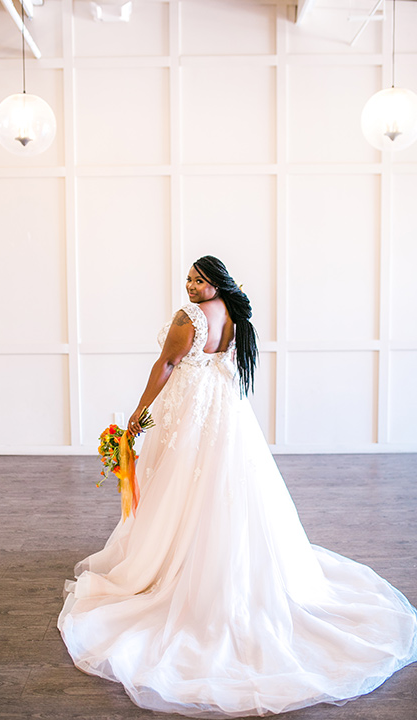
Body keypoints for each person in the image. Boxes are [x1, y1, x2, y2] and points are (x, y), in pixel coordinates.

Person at [58, 256, 417, 717]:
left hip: (192, 417)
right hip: (227, 418)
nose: (190, 285)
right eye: (188, 278)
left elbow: (167, 364)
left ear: (216, 283)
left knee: (181, 491)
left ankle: (174, 567)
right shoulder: (234, 316)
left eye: (199, 279)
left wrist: (137, 413)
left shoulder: (189, 318)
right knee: (224, 491)